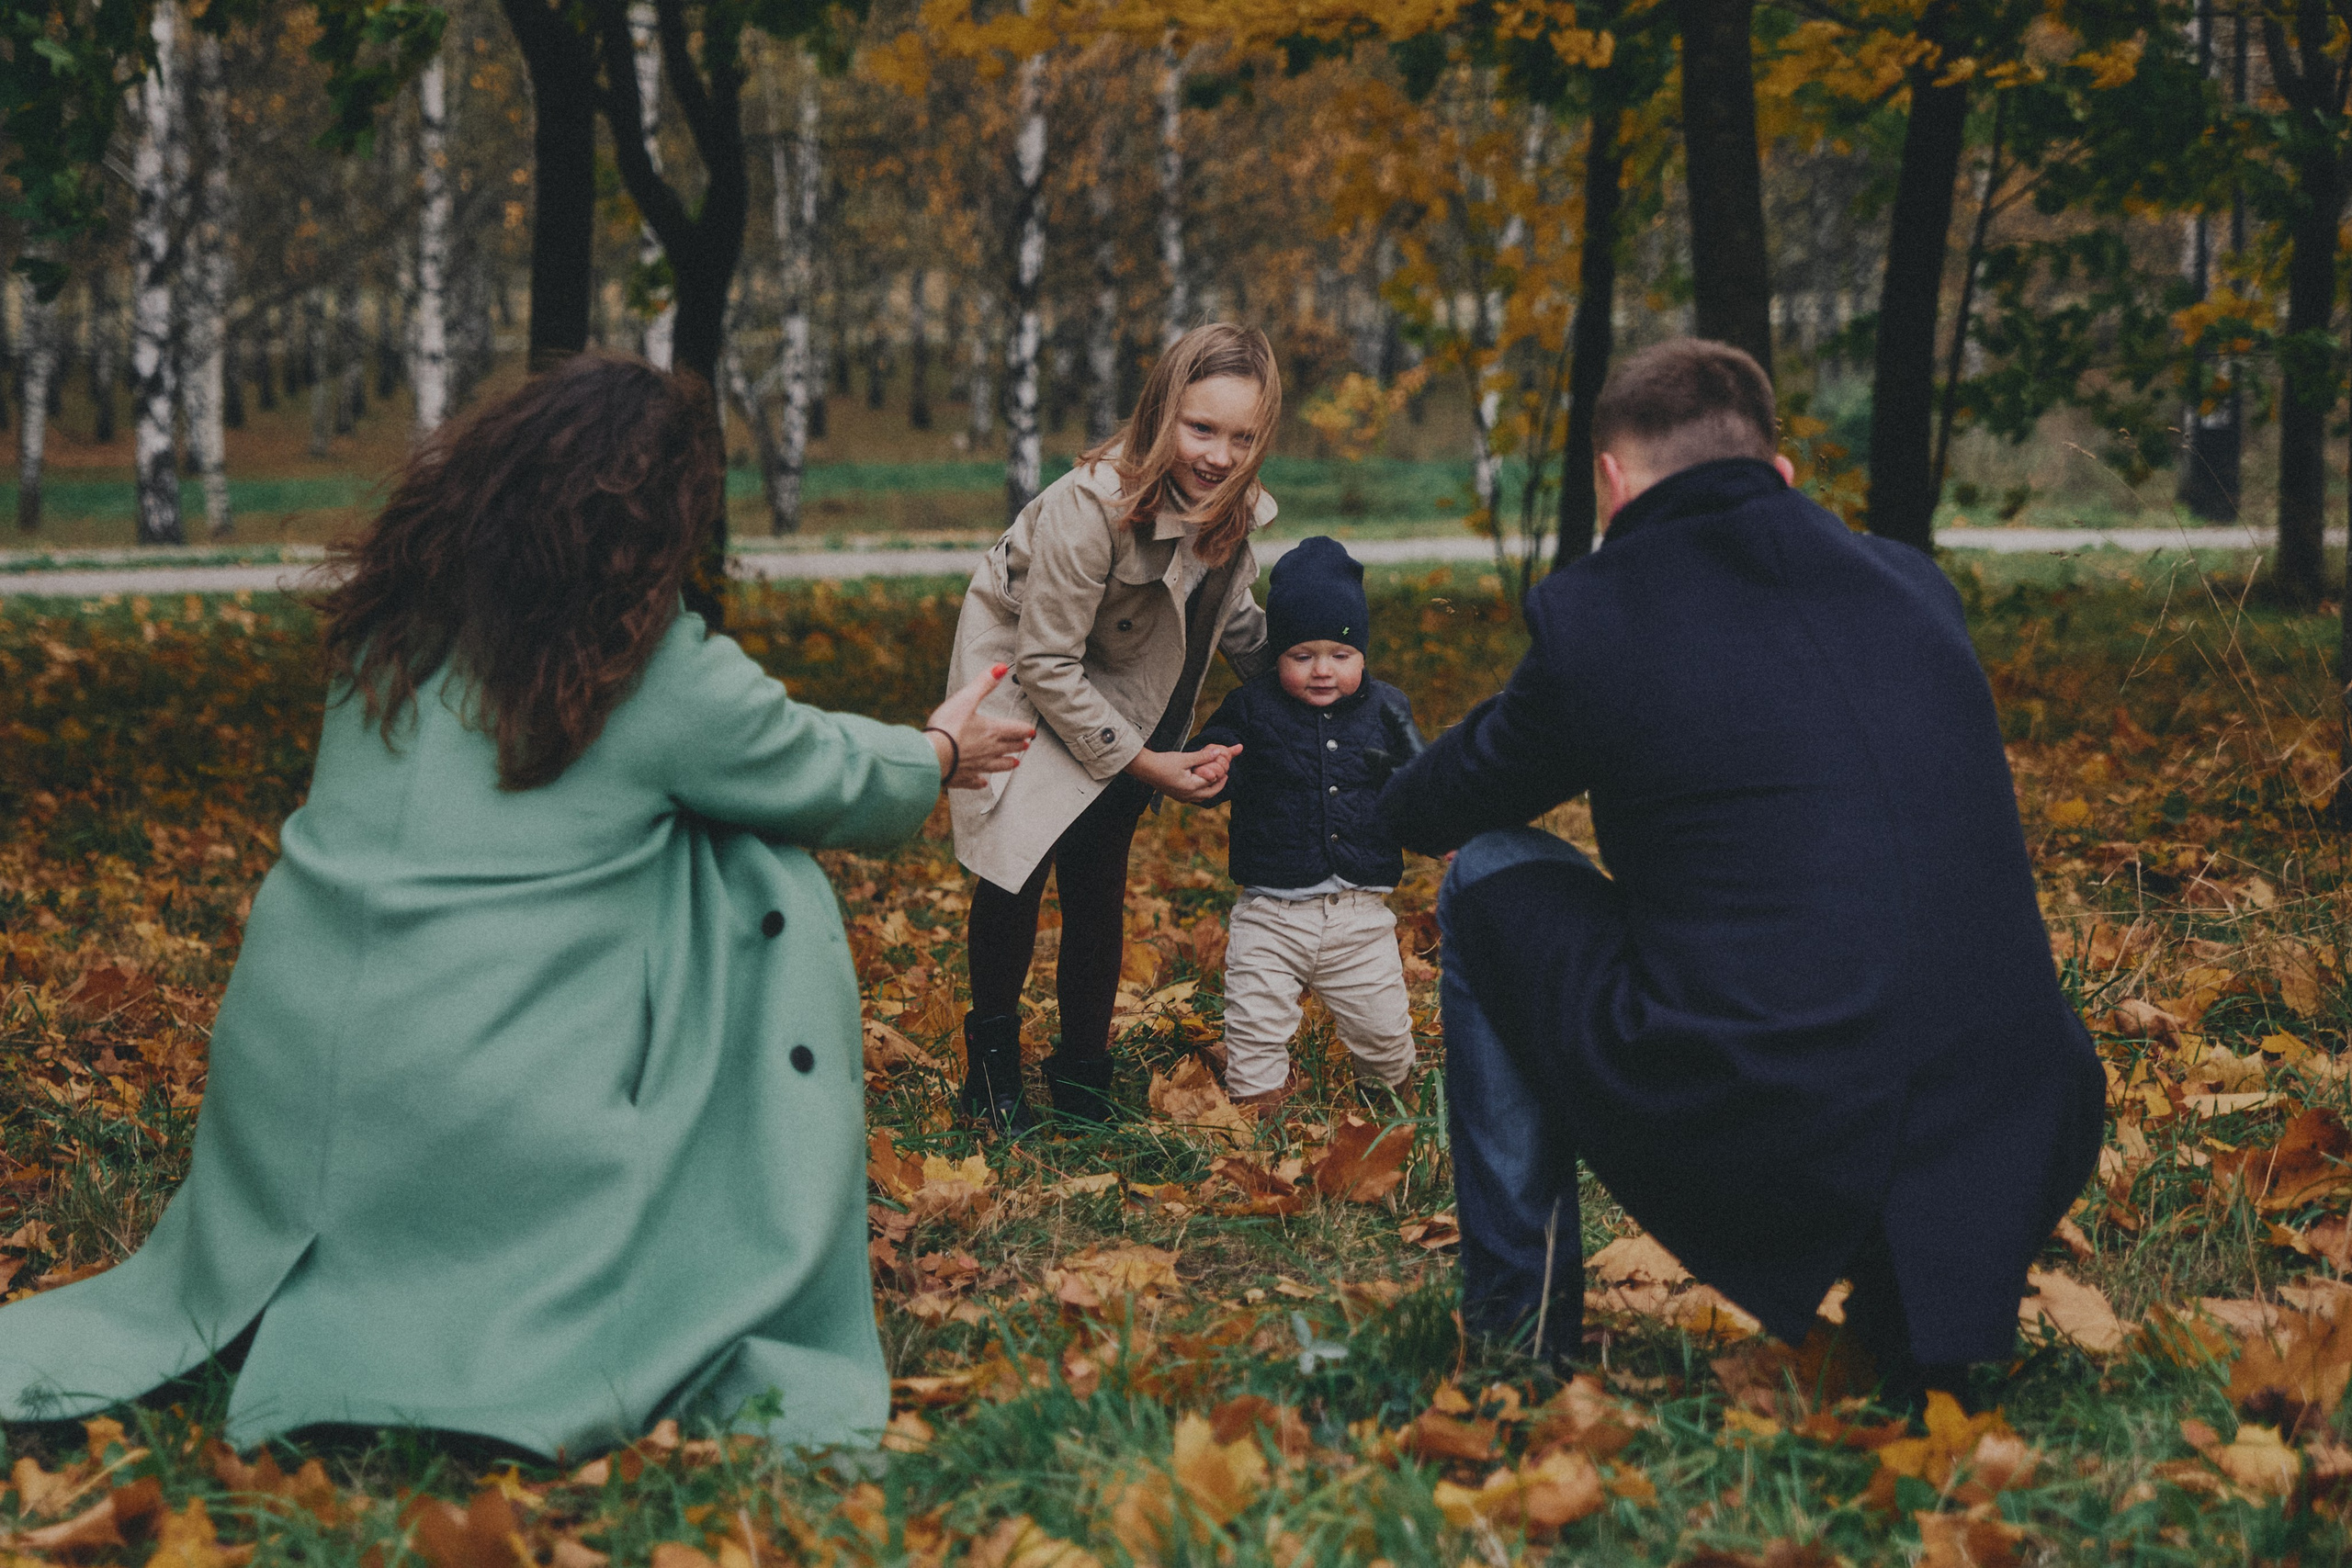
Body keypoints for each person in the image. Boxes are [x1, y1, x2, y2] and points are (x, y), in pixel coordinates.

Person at [0, 355, 1031, 1458]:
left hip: (281, 1077)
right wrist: (940, 746)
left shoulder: (389, 631)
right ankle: (470, 1344)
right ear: (661, 520)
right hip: (480, 1099)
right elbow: (820, 776)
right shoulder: (647, 670)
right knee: (758, 868)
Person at [1379, 339, 2104, 1399]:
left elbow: (1442, 805)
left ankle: (1512, 1338)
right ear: (1782, 472)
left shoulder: (1600, 615)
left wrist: (1378, 789)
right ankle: (1919, 1312)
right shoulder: (1912, 584)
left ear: (1612, 480)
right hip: (2023, 1123)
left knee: (1487, 871)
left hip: (1782, 1125)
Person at [948, 323, 1283, 1127]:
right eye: (1200, 428)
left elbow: (1237, 627)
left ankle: (1083, 1075)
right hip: (1026, 673)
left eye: (1243, 437)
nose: (1219, 455)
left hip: (1129, 690)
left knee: (1097, 878)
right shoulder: (1086, 507)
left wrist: (1318, 673)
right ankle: (989, 1076)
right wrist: (1150, 764)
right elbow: (1047, 664)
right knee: (1016, 867)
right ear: (1160, 412)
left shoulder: (1230, 514)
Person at [1188, 536, 1424, 1115]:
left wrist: (1437, 827)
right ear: (1277, 657)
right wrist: (1212, 765)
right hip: (1270, 911)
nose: (1323, 670)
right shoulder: (1252, 707)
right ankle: (1258, 1108)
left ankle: (1389, 1097)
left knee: (1385, 1033)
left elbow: (1416, 785)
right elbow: (1213, 758)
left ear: (1362, 655)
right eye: (1302, 656)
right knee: (1254, 1026)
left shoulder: (1387, 709)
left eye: (1340, 656)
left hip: (1360, 915)